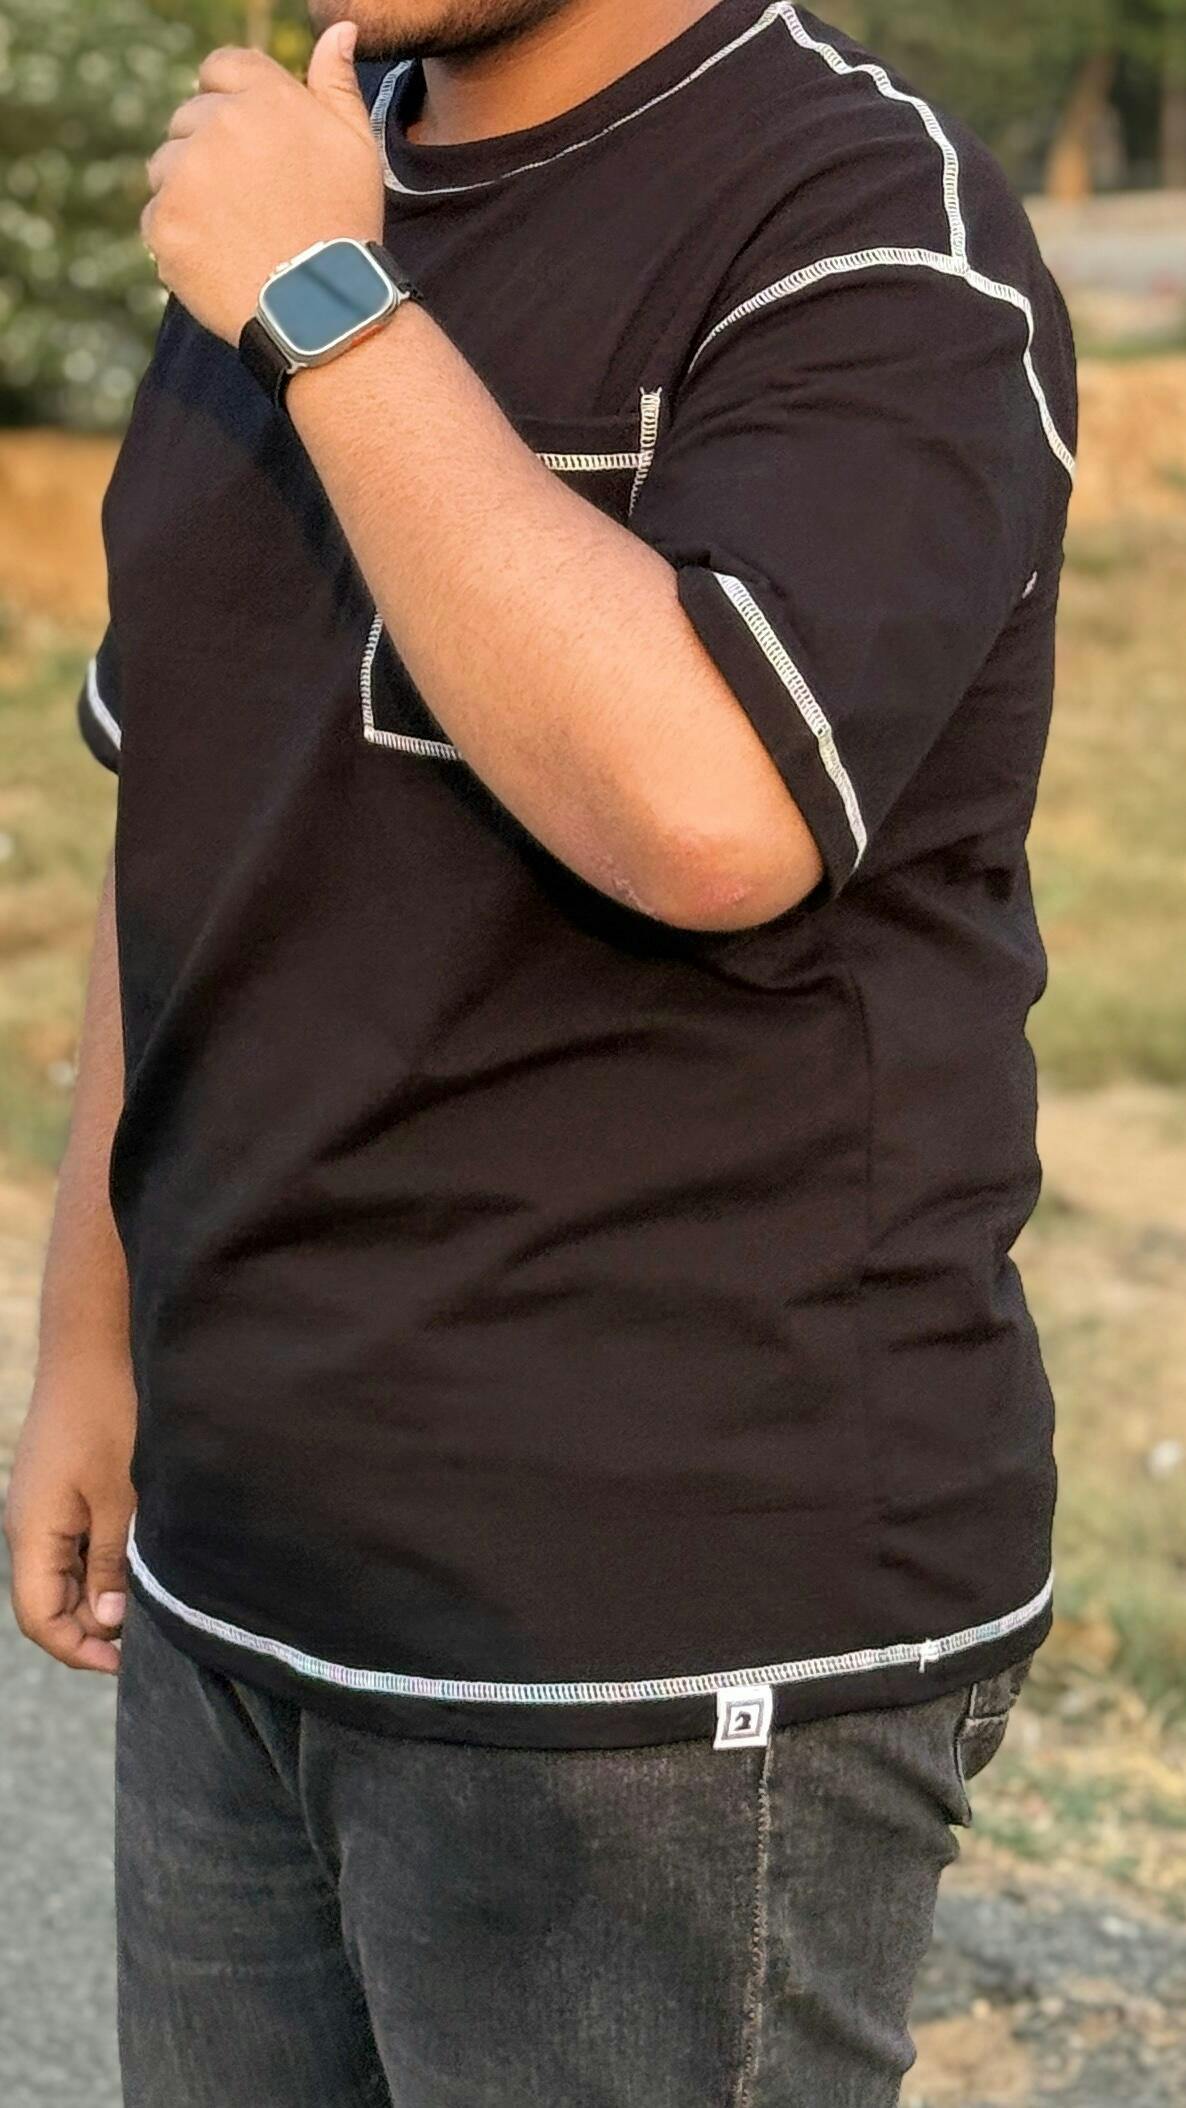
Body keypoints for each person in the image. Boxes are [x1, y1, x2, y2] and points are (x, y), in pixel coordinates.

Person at [5, 2, 1076, 2101]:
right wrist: (90, 1340)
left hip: (649, 1645)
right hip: (245, 1572)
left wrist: (326, 304)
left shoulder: (858, 216)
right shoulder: (291, 190)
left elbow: (709, 808)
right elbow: (186, 817)